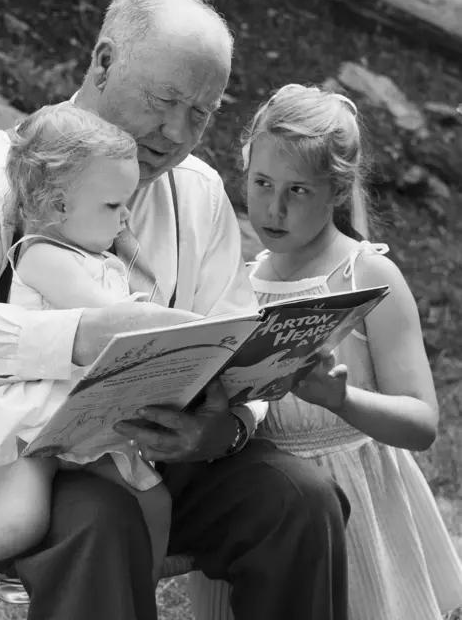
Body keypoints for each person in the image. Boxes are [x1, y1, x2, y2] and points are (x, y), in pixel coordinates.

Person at [0, 0, 350, 620]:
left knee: (300, 498)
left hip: (160, 451)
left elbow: (234, 334)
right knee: (100, 517)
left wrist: (226, 425)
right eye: (165, 101)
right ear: (103, 62)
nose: (177, 133)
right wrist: (83, 334)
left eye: (202, 113)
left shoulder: (199, 192)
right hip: (13, 459)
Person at [0, 102, 199, 620]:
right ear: (57, 205)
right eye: (113, 205)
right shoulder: (42, 255)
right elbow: (111, 320)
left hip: (77, 417)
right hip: (25, 421)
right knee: (22, 519)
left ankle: (134, 594)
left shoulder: (97, 255)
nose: (126, 216)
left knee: (155, 499)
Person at [189, 83, 462, 620]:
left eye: (298, 191)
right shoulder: (240, 281)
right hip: (261, 506)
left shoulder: (367, 276)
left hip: (359, 507)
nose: (273, 206)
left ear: (336, 191)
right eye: (262, 183)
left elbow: (423, 423)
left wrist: (344, 400)